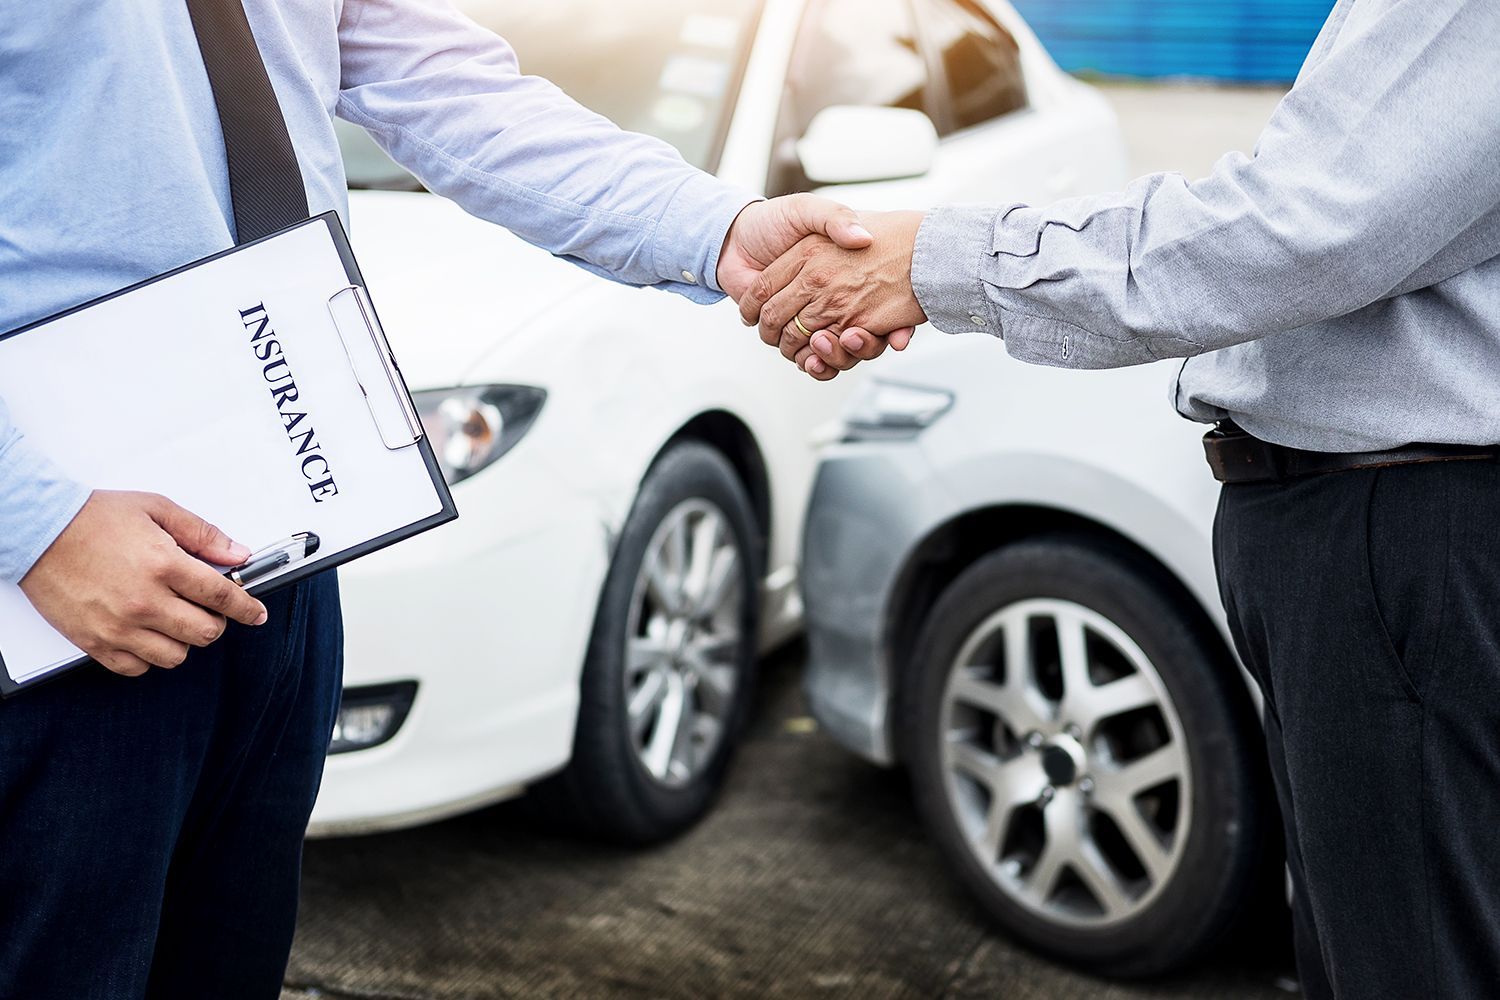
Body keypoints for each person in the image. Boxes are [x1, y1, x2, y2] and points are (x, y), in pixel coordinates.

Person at [0, 2, 874, 997]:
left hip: (287, 554)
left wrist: (718, 230)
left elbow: (447, 88)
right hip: (58, 590)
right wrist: (32, 522)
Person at [738, 0, 1500, 997]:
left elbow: (1300, 225)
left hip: (1404, 533)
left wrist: (931, 262)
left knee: (1410, 961)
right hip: (1396, 525)